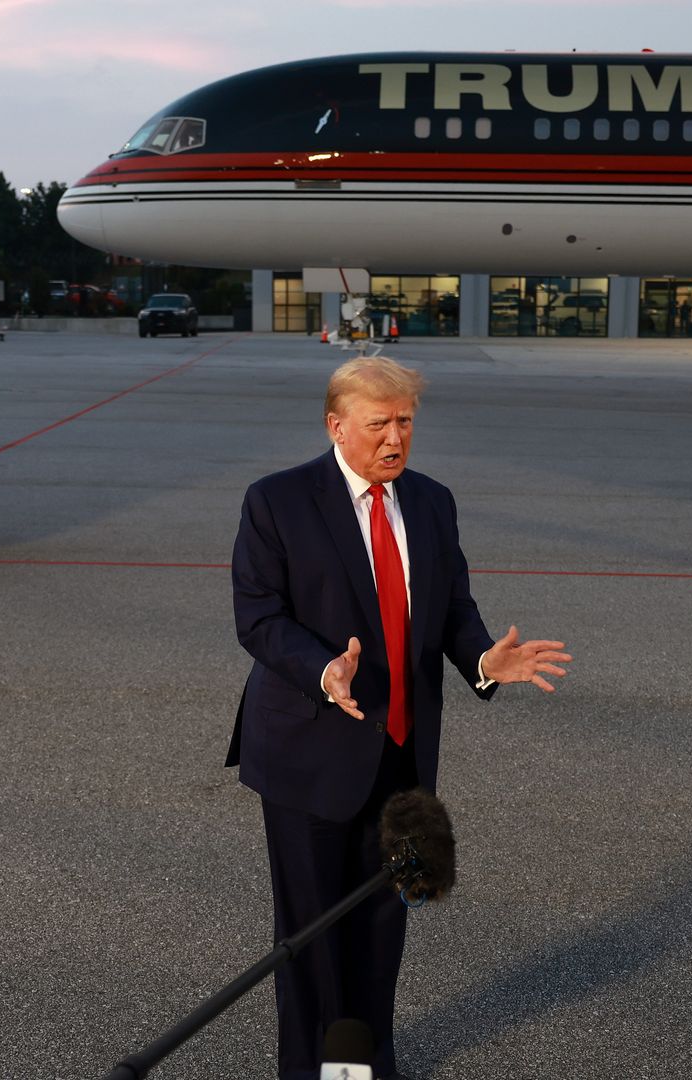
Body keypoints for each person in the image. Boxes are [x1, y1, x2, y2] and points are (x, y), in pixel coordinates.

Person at [229, 356, 570, 1079]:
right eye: (378, 423)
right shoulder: (277, 502)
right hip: (308, 752)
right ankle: (311, 1071)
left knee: (382, 929)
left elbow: (452, 612)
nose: (394, 439)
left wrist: (483, 661)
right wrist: (325, 669)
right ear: (337, 426)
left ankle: (370, 1068)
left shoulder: (432, 502)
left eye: (405, 422)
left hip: (401, 753)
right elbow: (259, 618)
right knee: (312, 934)